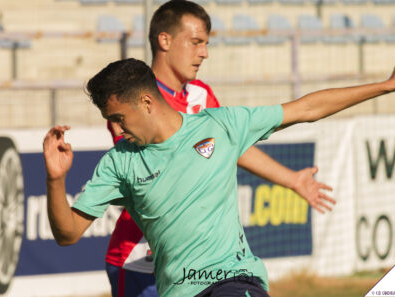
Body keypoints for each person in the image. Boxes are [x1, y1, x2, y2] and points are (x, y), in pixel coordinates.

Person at [43, 52, 395, 296]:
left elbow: (307, 107)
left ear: (145, 102)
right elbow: (68, 233)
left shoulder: (220, 125)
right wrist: (56, 180)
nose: (116, 128)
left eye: (118, 118)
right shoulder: (119, 162)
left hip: (235, 282)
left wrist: (388, 85)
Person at [104, 1, 335, 296]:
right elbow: (147, 173)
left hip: (198, 264)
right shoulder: (132, 101)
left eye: (206, 44)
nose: (204, 52)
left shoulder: (202, 95)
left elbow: (229, 147)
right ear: (165, 40)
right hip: (140, 258)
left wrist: (291, 179)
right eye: (196, 42)